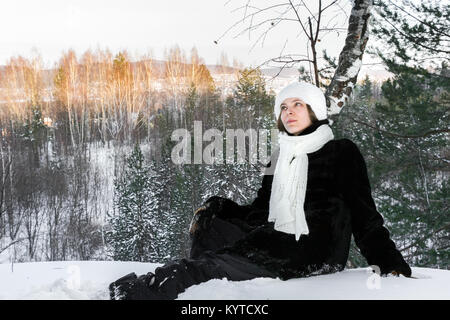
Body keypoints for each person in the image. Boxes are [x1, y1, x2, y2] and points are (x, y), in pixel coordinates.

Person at [109, 82, 412, 300]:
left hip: (310, 252)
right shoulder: (280, 155)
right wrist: (221, 207)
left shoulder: (340, 151)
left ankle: (147, 293)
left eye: (298, 105)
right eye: (283, 107)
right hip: (274, 237)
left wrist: (389, 263)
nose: (289, 112)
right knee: (211, 226)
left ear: (315, 110)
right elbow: (261, 211)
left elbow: (364, 215)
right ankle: (216, 290)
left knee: (204, 266)